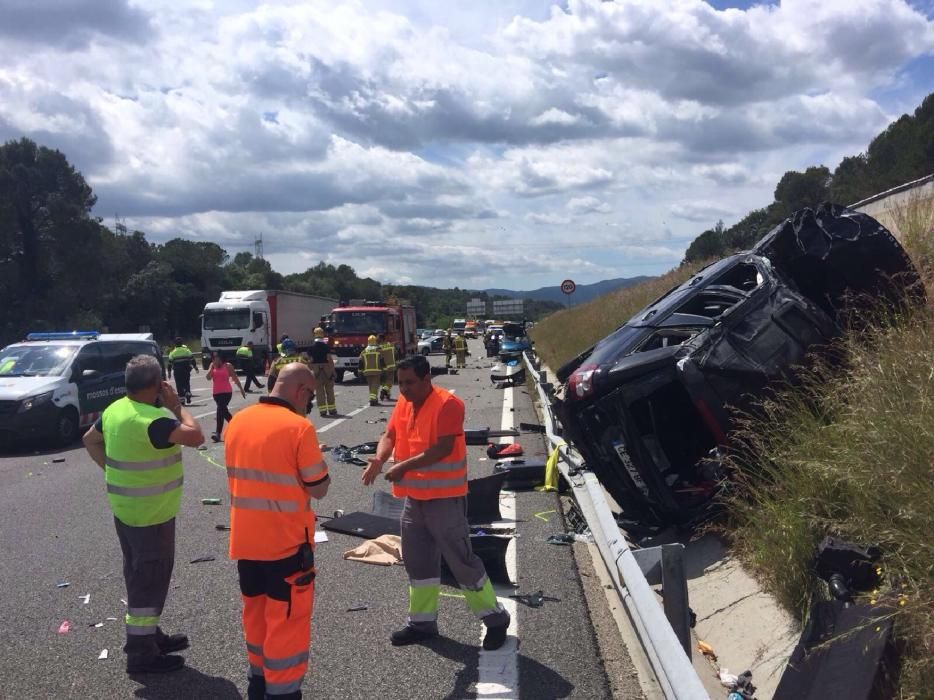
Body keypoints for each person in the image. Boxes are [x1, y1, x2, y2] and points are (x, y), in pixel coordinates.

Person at [361, 354, 511, 650]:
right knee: (418, 562)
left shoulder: (448, 405)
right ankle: (422, 623)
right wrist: (379, 458)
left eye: (410, 383)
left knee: (461, 561)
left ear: (427, 378)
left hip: (445, 499)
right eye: (400, 383)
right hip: (414, 500)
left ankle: (495, 619)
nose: (403, 389)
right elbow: (389, 434)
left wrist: (402, 467)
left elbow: (442, 448)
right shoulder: (404, 403)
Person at [81, 355, 205, 674]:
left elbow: (89, 440)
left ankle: (149, 635)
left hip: (126, 511)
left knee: (139, 576)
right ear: (157, 384)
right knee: (148, 584)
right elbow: (196, 436)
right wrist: (176, 406)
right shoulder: (154, 420)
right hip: (152, 515)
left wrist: (111, 470)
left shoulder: (114, 409)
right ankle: (141, 653)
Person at [225, 363, 330, 700]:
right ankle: (283, 692)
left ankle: (258, 680)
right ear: (301, 391)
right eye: (310, 396)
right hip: (286, 546)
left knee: (255, 615)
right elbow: (318, 488)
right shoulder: (299, 428)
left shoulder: (238, 420)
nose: (309, 403)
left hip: (246, 541)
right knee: (287, 623)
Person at [207, 352, 246, 442]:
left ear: (221, 358)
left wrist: (241, 389)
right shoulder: (212, 365)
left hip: (226, 392)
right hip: (216, 393)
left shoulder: (227, 365)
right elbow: (208, 377)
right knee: (224, 412)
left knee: (220, 410)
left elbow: (234, 377)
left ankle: (217, 433)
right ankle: (237, 428)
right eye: (214, 357)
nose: (215, 359)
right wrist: (211, 368)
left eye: (217, 357)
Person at [309, 327, 338, 417]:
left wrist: (312, 371)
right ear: (323, 335)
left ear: (314, 335)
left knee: (319, 391)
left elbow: (310, 360)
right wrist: (333, 371)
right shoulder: (326, 347)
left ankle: (322, 411)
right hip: (327, 371)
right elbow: (329, 359)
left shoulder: (311, 347)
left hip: (317, 372)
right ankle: (332, 409)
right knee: (329, 390)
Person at [167, 338, 199, 405]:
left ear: (175, 344)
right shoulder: (187, 350)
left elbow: (169, 363)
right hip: (186, 369)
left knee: (179, 384)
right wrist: (196, 367)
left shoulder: (173, 352)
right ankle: (187, 392)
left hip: (177, 371)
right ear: (182, 343)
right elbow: (192, 359)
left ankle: (182, 399)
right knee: (186, 381)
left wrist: (169, 373)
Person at [359, 335, 384, 406]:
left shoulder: (364, 351)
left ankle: (374, 399)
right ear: (375, 341)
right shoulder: (378, 349)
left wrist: (360, 371)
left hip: (367, 371)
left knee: (371, 386)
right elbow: (382, 360)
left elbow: (360, 362)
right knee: (375, 385)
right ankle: (372, 399)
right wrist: (384, 369)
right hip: (377, 370)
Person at [378, 334, 397, 401]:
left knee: (384, 382)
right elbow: (395, 353)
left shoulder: (379, 347)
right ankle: (384, 391)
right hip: (391, 366)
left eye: (378, 338)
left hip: (383, 367)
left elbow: (378, 357)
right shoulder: (390, 345)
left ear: (381, 339)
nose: (377, 339)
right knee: (390, 382)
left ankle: (387, 394)